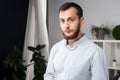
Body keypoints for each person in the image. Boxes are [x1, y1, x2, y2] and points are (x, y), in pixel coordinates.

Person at [44, 2, 109, 80]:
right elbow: (49, 75)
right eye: (62, 21)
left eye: (71, 20)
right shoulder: (55, 48)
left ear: (81, 21)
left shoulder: (96, 52)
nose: (66, 26)